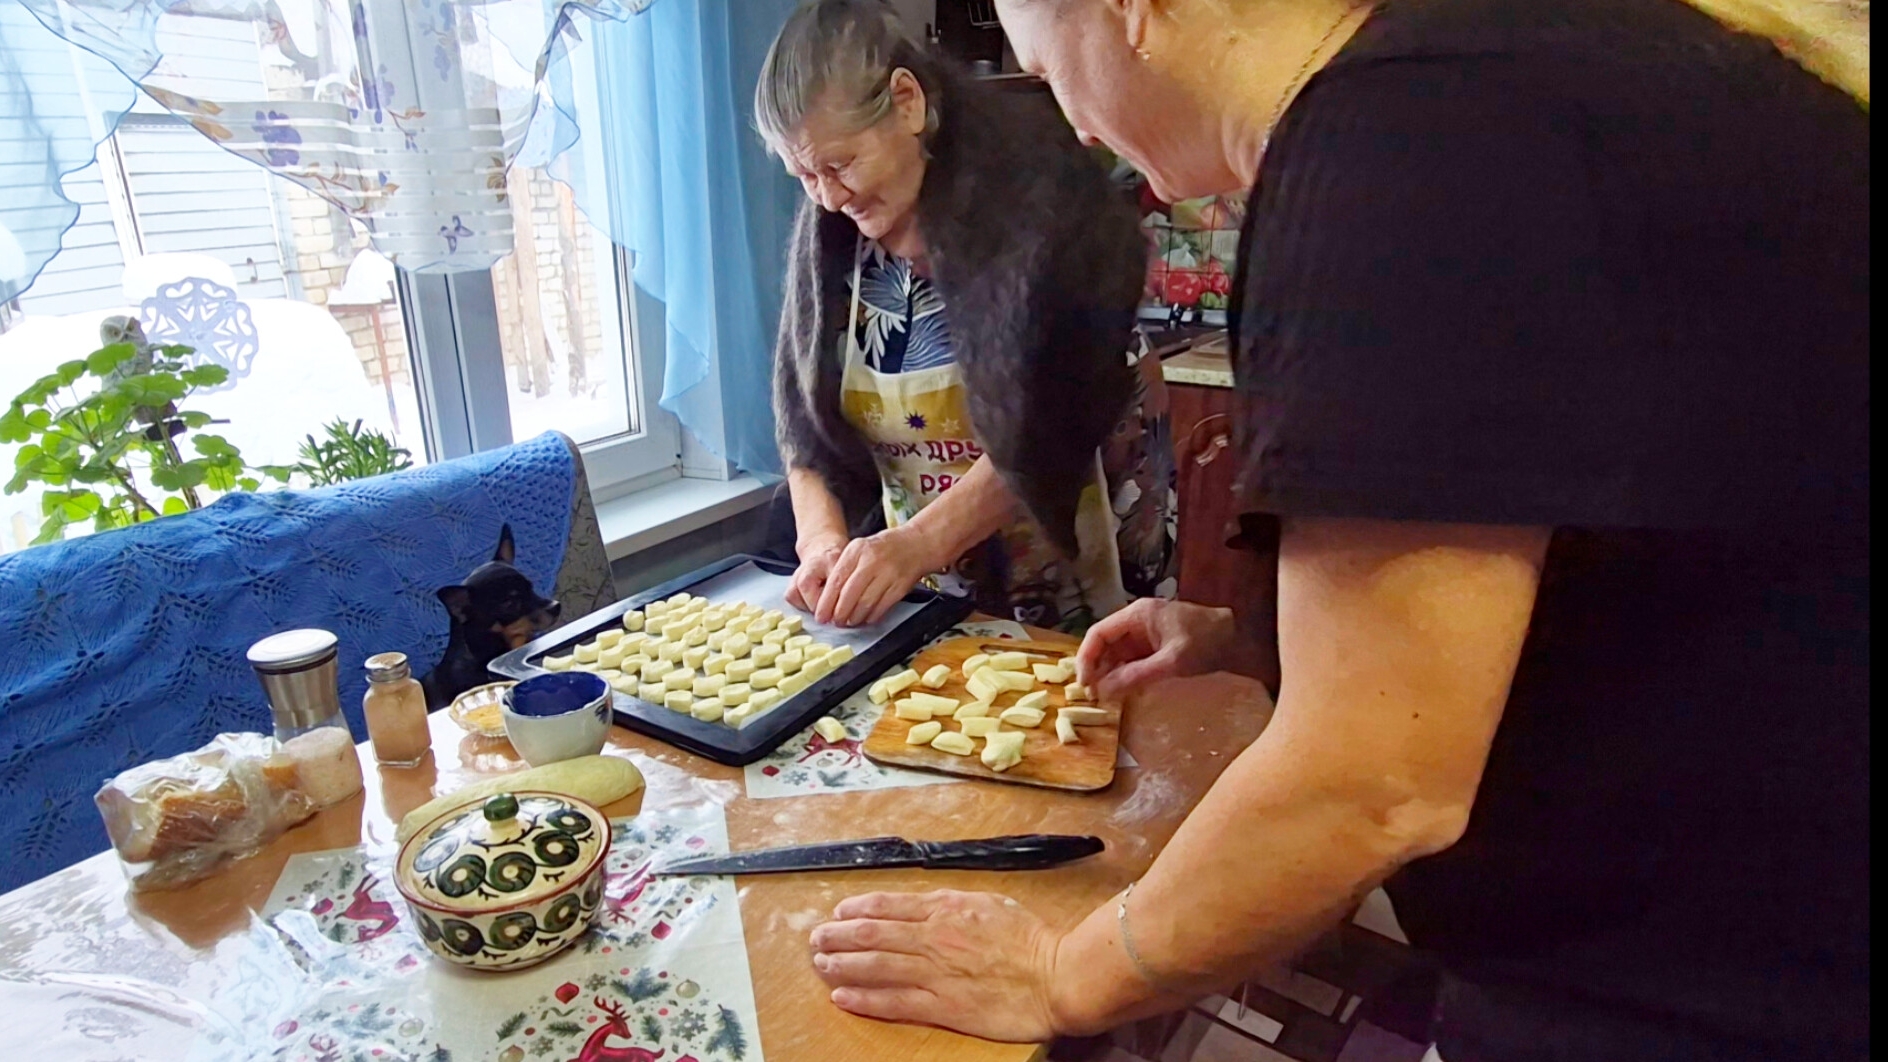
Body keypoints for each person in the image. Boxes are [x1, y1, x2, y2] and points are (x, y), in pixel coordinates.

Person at [804, 0, 1870, 1059]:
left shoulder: (1402, 142)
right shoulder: (1532, 68)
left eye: (1050, 67)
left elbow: (1374, 783)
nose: (1076, 122)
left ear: (1130, 9)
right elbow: (1626, 553)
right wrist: (1253, 639)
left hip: (1714, 986)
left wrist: (1060, 976)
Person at [760, 0, 1175, 632]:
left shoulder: (1040, 207)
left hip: (1087, 547)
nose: (828, 197)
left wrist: (917, 544)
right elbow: (804, 426)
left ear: (906, 102)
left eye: (840, 165)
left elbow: (1046, 426)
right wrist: (822, 543)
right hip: (931, 577)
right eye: (804, 175)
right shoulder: (830, 246)